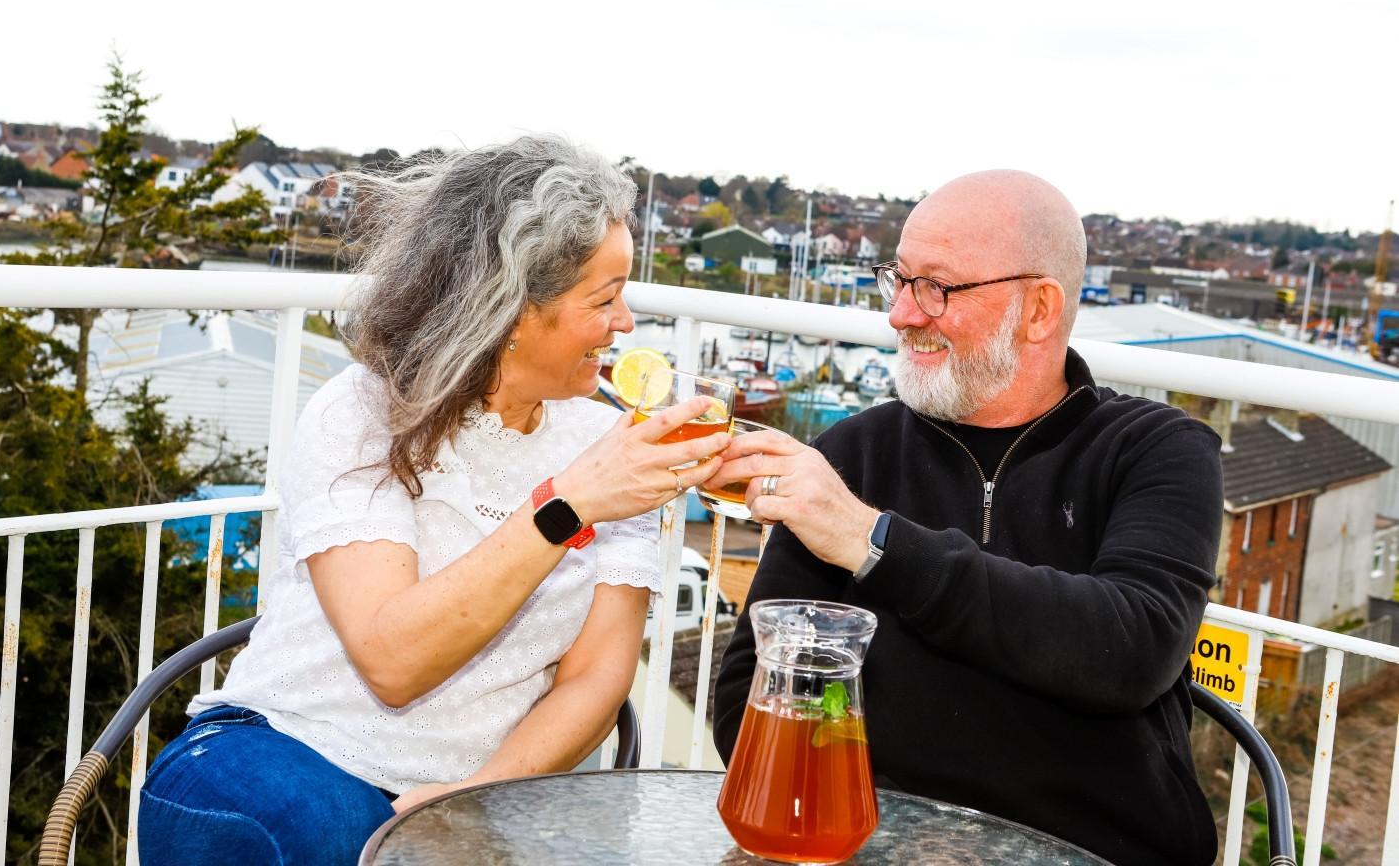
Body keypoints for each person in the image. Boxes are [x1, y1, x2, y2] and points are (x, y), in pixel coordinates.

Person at [139, 137, 728, 865]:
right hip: (291, 749)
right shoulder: (362, 413)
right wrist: (567, 506)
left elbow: (596, 679)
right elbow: (394, 661)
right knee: (313, 833)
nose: (627, 323)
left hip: (491, 789)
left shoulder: (611, 442)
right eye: (604, 299)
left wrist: (478, 794)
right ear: (512, 312)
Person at [710, 170, 1222, 866]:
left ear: (1040, 309)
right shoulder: (854, 452)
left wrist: (872, 544)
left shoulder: (1156, 450)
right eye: (899, 279)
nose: (901, 314)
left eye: (937, 288)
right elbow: (748, 703)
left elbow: (1130, 649)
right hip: (871, 844)